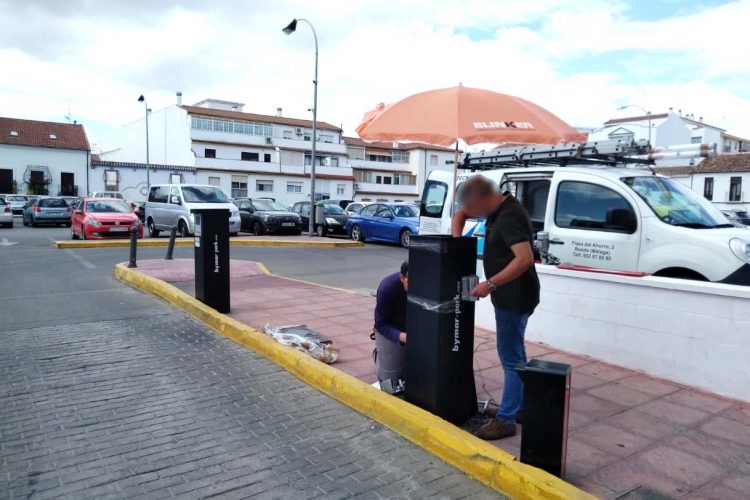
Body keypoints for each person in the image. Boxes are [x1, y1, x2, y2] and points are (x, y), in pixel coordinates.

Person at [453, 176, 540, 440]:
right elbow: (460, 214)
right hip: (510, 295)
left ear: (484, 198)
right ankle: (520, 407)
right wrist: (457, 245)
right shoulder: (495, 207)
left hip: (515, 297)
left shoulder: (509, 215)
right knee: (516, 353)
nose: (474, 215)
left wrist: (490, 284)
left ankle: (507, 419)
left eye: (476, 209)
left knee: (511, 358)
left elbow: (524, 260)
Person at [373, 260, 409, 387]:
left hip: (413, 326)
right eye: (411, 282)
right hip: (391, 327)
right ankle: (380, 354)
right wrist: (403, 336)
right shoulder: (386, 289)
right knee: (390, 383)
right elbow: (381, 324)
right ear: (402, 278)